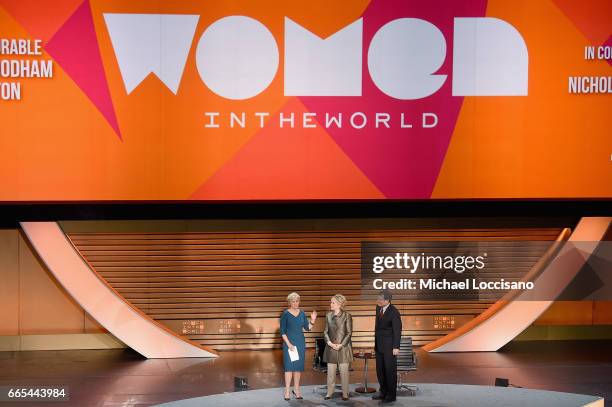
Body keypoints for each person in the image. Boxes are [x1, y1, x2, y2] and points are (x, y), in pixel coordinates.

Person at [280, 292, 317, 400]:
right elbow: (282, 332)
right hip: (289, 344)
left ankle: (296, 390)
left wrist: (313, 320)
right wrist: (289, 344)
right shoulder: (285, 314)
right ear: (289, 302)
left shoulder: (302, 313)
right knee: (289, 368)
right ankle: (287, 391)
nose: (296, 303)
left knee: (298, 368)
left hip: (300, 343)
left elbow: (307, 328)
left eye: (297, 301)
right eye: (293, 301)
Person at [373, 289, 402, 403]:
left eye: (380, 299)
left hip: (390, 347)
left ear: (387, 300)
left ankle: (391, 395)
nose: (378, 301)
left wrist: (396, 347)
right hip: (379, 346)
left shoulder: (394, 312)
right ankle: (383, 392)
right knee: (380, 371)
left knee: (389, 371)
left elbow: (397, 330)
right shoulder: (378, 308)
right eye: (378, 298)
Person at [323, 294, 353, 401]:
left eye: (333, 302)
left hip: (343, 349)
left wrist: (341, 344)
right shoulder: (328, 316)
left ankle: (345, 393)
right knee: (330, 373)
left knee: (344, 373)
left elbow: (349, 333)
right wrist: (330, 343)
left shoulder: (347, 316)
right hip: (331, 348)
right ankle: (329, 392)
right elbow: (325, 332)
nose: (330, 304)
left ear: (339, 304)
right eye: (331, 302)